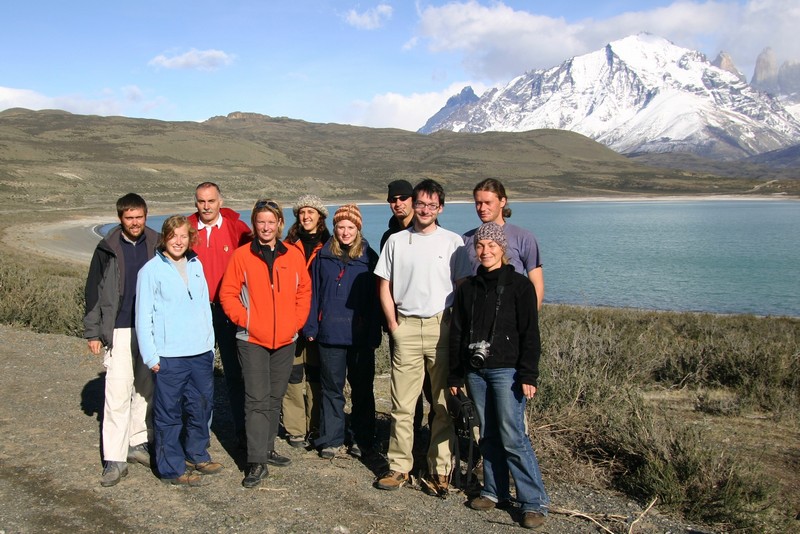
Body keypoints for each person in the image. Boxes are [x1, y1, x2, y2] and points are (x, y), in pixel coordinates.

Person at [448, 222, 549, 530]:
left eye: (491, 246)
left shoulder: (520, 286)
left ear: (503, 249)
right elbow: (457, 334)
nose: (485, 251)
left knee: (513, 435)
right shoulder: (468, 289)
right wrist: (455, 376)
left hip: (508, 371)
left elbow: (530, 333)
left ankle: (533, 502)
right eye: (480, 246)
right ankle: (495, 491)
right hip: (476, 372)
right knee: (488, 434)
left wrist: (528, 374)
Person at [373, 179, 463, 494]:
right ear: (415, 204)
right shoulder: (396, 241)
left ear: (440, 208)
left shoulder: (453, 242)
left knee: (442, 404)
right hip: (406, 327)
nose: (425, 210)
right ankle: (399, 467)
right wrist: (393, 324)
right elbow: (384, 285)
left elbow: (462, 287)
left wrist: (455, 326)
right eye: (421, 204)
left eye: (431, 205)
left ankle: (440, 470)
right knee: (402, 405)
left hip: (441, 328)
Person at [219, 199, 312, 489]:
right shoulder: (242, 256)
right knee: (256, 399)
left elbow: (304, 291)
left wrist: (295, 323)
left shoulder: (292, 255)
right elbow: (228, 294)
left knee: (274, 397)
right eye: (261, 222)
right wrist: (247, 320)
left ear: (280, 224)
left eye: (271, 222)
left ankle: (268, 447)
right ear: (254, 224)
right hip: (252, 340)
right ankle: (256, 461)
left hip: (285, 339)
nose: (266, 227)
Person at [136, 215, 221, 486]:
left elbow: (204, 307)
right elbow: (143, 316)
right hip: (169, 356)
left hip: (200, 353)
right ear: (165, 238)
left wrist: (209, 344)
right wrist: (151, 356)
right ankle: (171, 468)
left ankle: (196, 454)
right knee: (169, 414)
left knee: (201, 407)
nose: (178, 241)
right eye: (173, 236)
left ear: (190, 238)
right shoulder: (150, 271)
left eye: (184, 236)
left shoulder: (196, 264)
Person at [84, 193, 158, 487]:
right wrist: (93, 332)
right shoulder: (107, 248)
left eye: (139, 217)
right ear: (120, 218)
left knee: (145, 389)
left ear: (146, 216)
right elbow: (93, 290)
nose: (135, 223)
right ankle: (114, 458)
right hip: (119, 328)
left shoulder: (157, 242)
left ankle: (137, 443)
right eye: (129, 218)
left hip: (150, 328)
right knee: (116, 393)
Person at [303, 204, 380, 460]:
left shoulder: (370, 258)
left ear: (358, 229)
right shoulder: (323, 256)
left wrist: (374, 332)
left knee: (362, 389)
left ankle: (362, 438)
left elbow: (377, 299)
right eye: (340, 227)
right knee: (331, 388)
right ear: (334, 228)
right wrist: (311, 325)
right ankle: (331, 439)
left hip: (360, 336)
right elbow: (313, 293)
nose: (345, 232)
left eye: (350, 227)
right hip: (329, 333)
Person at [187, 182, 252, 448]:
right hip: (196, 311)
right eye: (201, 201)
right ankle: (197, 432)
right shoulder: (186, 228)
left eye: (211, 201)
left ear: (220, 201)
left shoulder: (237, 229)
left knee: (235, 372)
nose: (206, 207)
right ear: (195, 203)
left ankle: (242, 431)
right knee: (197, 373)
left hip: (228, 310)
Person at [379, 180, 434, 442]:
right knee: (405, 389)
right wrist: (391, 323)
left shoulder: (431, 231)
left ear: (413, 200)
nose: (398, 203)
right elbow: (385, 281)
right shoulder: (389, 237)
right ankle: (411, 440)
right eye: (393, 199)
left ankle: (437, 439)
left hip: (431, 323)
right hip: (401, 323)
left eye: (403, 198)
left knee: (434, 387)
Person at [282, 194, 330, 449]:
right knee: (292, 374)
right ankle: (295, 429)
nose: (306, 216)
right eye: (301, 212)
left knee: (316, 374)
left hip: (319, 320)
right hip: (291, 319)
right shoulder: (287, 246)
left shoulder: (331, 245)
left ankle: (316, 424)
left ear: (320, 216)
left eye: (311, 212)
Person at [454, 178, 544, 310]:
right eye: (478, 203)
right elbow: (462, 285)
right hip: (476, 316)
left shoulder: (523, 237)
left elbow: (537, 285)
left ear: (503, 201)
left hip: (511, 315)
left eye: (488, 203)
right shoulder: (466, 239)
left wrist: (529, 316)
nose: (482, 208)